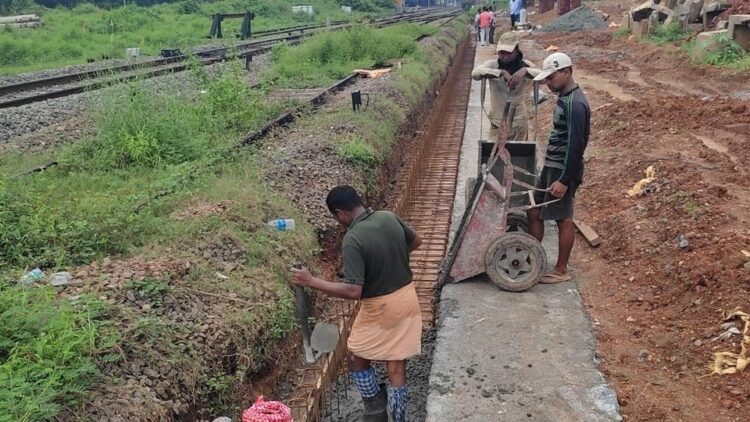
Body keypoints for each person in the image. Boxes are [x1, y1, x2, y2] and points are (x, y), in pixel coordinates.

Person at [291, 186, 423, 422]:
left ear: (340, 213)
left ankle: (375, 411)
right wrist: (391, 261)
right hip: (407, 298)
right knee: (396, 364)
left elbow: (353, 290)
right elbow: (417, 242)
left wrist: (311, 281)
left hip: (381, 307)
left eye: (336, 217)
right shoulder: (388, 217)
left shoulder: (353, 239)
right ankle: (398, 418)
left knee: (356, 359)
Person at [528, 52, 590, 283]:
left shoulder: (576, 104)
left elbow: (576, 146)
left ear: (567, 72)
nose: (548, 82)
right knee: (534, 211)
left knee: (563, 218)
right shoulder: (565, 99)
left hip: (562, 170)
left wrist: (564, 180)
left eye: (551, 77)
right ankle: (533, 257)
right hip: (552, 166)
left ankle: (561, 270)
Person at [471, 34, 539, 141]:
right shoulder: (493, 65)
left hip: (519, 123)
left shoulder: (524, 65)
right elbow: (475, 73)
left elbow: (543, 75)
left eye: (509, 52)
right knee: (493, 154)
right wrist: (500, 72)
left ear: (516, 51)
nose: (505, 56)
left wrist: (525, 71)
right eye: (502, 53)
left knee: (519, 155)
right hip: (497, 123)